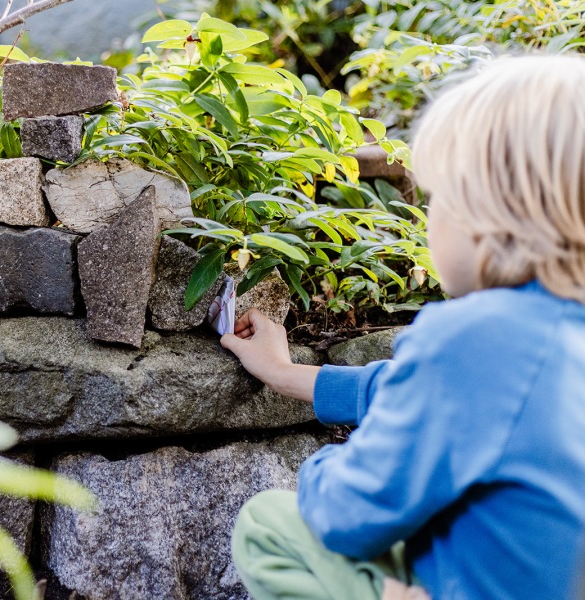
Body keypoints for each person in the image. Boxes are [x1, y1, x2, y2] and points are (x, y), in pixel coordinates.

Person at [221, 54, 585, 600]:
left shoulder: (476, 339)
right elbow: (440, 393)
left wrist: (333, 463)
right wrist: (287, 373)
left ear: (488, 215)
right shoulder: (556, 334)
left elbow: (349, 511)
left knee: (271, 523)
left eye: (440, 198)